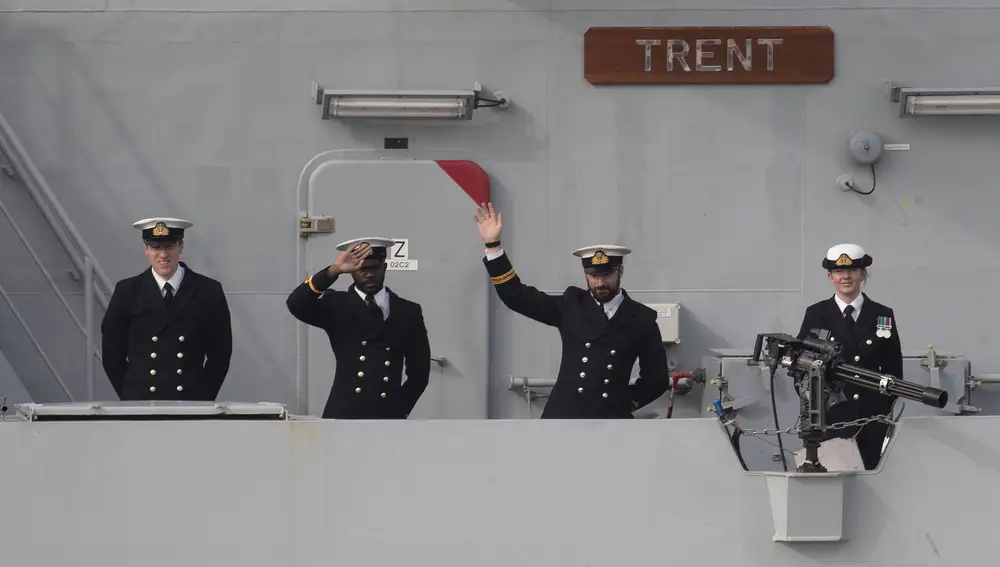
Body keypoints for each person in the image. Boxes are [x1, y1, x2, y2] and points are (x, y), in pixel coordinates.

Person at [474, 202, 671, 418]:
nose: (599, 282)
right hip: (563, 417)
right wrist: (493, 245)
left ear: (620, 272)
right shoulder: (571, 304)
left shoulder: (641, 319)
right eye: (593, 275)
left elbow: (657, 379)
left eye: (607, 274)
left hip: (611, 419)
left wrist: (624, 403)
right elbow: (517, 297)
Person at [286, 237, 431, 419]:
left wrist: (400, 408)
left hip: (388, 417)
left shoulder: (408, 311)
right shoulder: (336, 305)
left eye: (374, 268)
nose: (368, 274)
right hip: (344, 413)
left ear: (384, 268)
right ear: (352, 271)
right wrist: (333, 271)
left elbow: (420, 373)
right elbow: (296, 304)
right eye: (362, 268)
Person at [100, 217, 233, 401]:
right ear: (146, 249)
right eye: (155, 247)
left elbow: (220, 353)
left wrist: (204, 396)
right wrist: (130, 394)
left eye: (169, 246)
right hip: (141, 402)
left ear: (181, 246)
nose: (163, 255)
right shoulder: (127, 291)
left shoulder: (208, 291)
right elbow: (112, 352)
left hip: (191, 401)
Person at [797, 243, 902, 471]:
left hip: (870, 420)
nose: (846, 277)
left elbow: (894, 369)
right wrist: (815, 403)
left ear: (863, 274)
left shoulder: (882, 315)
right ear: (830, 277)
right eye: (839, 272)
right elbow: (800, 367)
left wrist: (879, 411)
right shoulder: (816, 314)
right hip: (828, 420)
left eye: (852, 270)